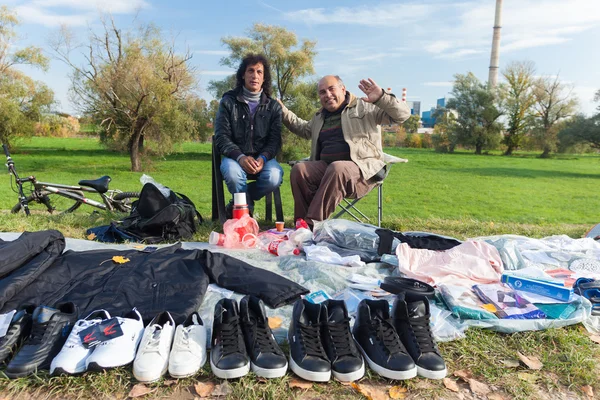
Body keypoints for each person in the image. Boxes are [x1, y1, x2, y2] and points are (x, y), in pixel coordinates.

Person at [278, 75, 410, 227]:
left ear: (343, 89)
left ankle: (311, 226)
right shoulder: (319, 116)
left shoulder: (365, 106)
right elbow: (303, 129)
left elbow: (403, 115)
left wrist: (381, 97)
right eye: (322, 92)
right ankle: (299, 225)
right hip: (328, 172)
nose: (327, 95)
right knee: (299, 169)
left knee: (337, 168)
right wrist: (282, 110)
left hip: (362, 173)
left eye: (331, 89)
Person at [214, 53, 283, 217]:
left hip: (263, 159)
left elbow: (275, 141)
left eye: (259, 72)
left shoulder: (273, 107)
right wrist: (240, 157)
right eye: (250, 71)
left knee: (274, 177)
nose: (255, 75)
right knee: (233, 175)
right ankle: (245, 212)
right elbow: (221, 136)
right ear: (243, 75)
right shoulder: (228, 102)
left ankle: (242, 201)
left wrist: (263, 158)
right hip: (234, 158)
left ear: (264, 78)